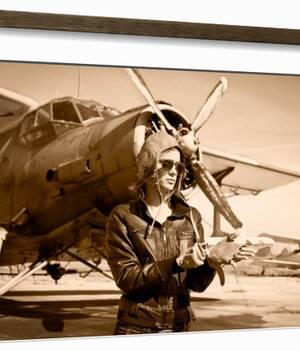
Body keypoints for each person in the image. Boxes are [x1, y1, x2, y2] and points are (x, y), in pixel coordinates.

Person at [105, 129, 253, 335]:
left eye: (178, 166)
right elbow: (128, 280)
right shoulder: (123, 216)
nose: (174, 171)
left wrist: (212, 261)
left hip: (179, 327)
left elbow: (195, 284)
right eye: (166, 164)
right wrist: (177, 263)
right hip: (136, 328)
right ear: (147, 167)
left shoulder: (191, 217)